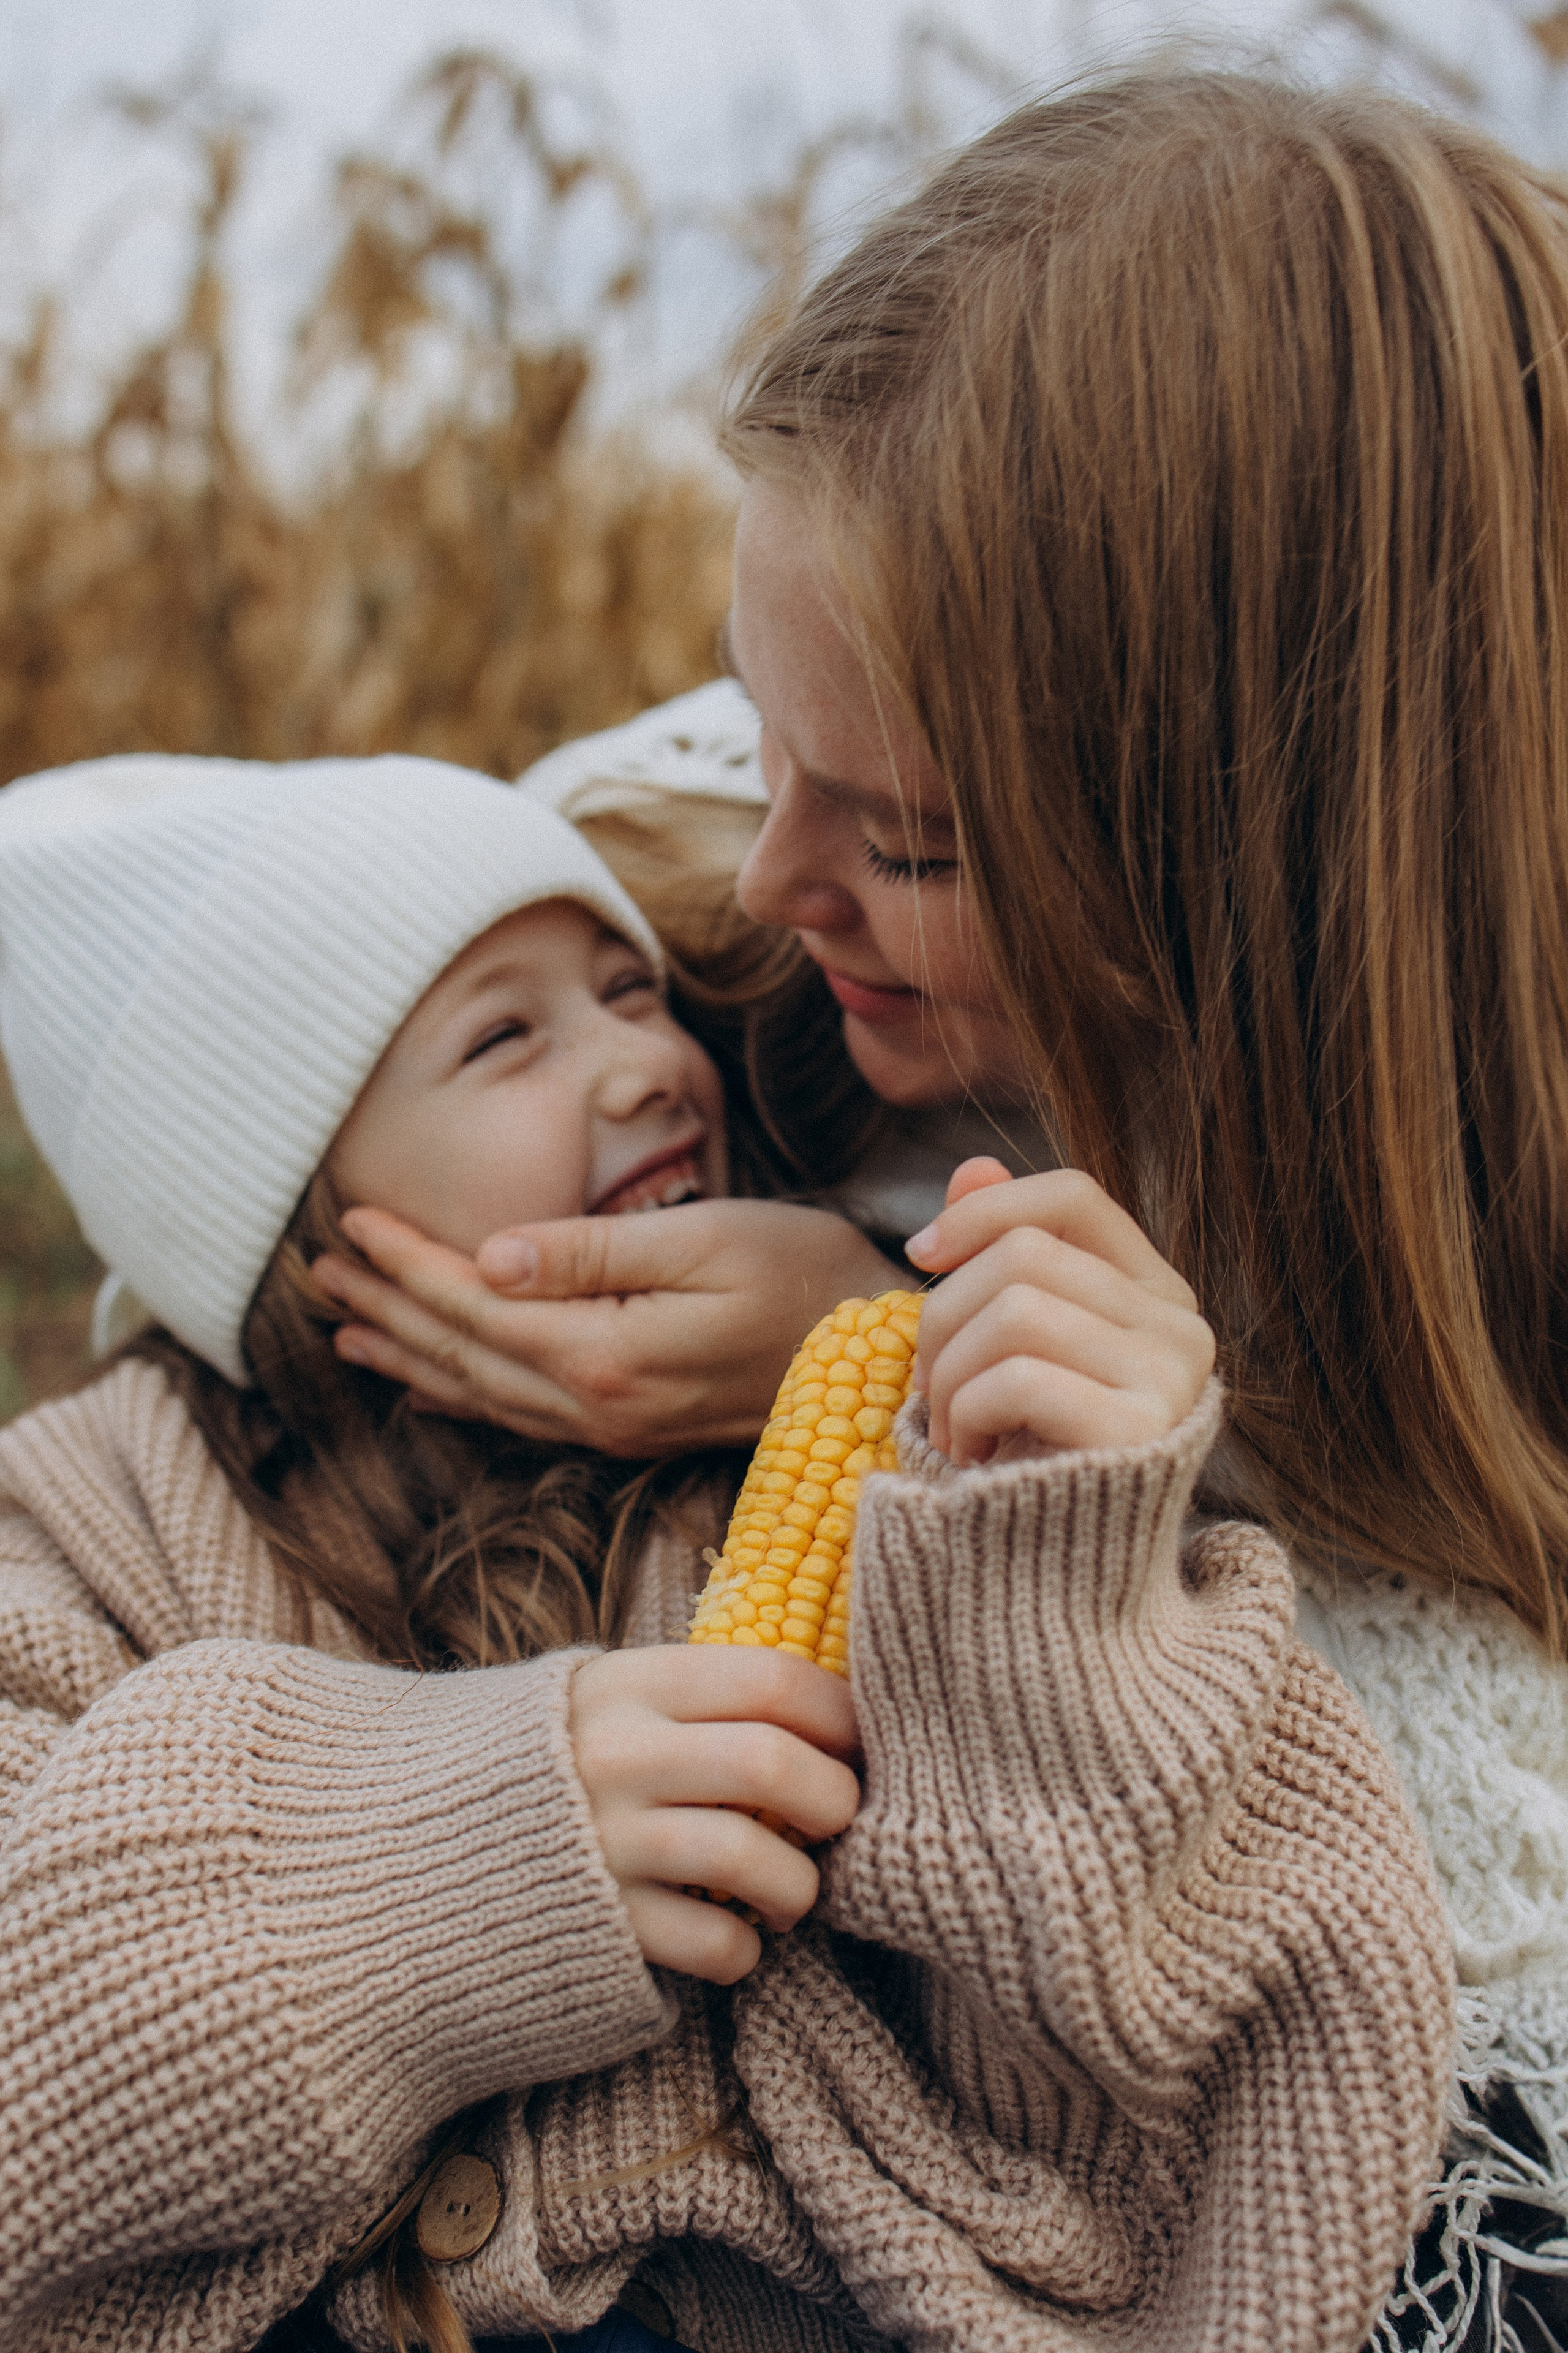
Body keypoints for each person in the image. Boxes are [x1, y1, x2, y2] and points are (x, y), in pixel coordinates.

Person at [311, 70, 1568, 2347]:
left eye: (907, 839)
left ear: (1241, 868)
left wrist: (884, 1330)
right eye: (756, 731)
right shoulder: (682, 895)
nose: (782, 887)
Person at [0, 746, 1446, 2353]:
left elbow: (1184, 2097)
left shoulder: (852, 1437)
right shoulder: (96, 1505)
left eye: (632, 991)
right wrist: (465, 1851)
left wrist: (1051, 1575)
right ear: (281, 1203)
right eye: (505, 1035)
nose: (642, 1067)